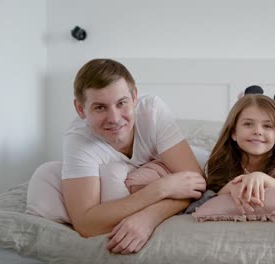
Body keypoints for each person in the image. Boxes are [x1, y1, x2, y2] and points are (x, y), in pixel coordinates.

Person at [61, 58, 206, 254]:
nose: (114, 119)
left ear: (135, 97)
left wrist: (149, 218)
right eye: (100, 107)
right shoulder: (78, 141)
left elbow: (195, 183)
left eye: (122, 103)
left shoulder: (152, 111)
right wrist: (160, 189)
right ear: (80, 109)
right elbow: (86, 224)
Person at [206, 94, 275, 213]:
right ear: (234, 132)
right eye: (248, 124)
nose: (257, 131)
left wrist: (263, 178)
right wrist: (229, 187)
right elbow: (206, 202)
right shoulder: (220, 164)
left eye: (267, 126)